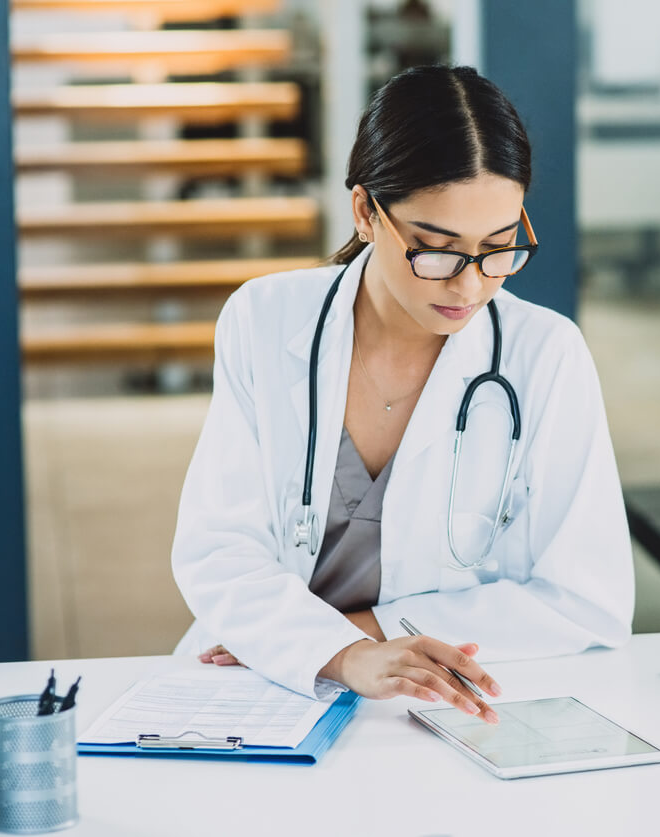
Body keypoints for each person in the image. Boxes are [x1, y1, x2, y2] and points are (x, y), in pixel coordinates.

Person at [171, 65, 634, 724]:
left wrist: (355, 638)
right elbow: (219, 548)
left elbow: (588, 597)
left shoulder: (545, 355)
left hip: (444, 700)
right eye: (437, 251)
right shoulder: (265, 319)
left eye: (499, 249)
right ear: (365, 211)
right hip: (261, 686)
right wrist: (335, 653)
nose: (470, 287)